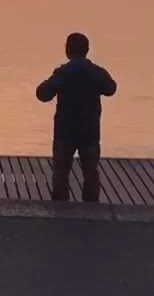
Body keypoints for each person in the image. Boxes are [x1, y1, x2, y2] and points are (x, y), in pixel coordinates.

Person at [37, 32, 118, 203]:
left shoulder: (63, 73)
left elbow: (43, 94)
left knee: (61, 171)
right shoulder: (96, 72)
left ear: (68, 50)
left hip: (65, 131)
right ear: (87, 50)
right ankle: (91, 206)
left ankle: (60, 206)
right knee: (90, 171)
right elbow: (111, 88)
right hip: (90, 131)